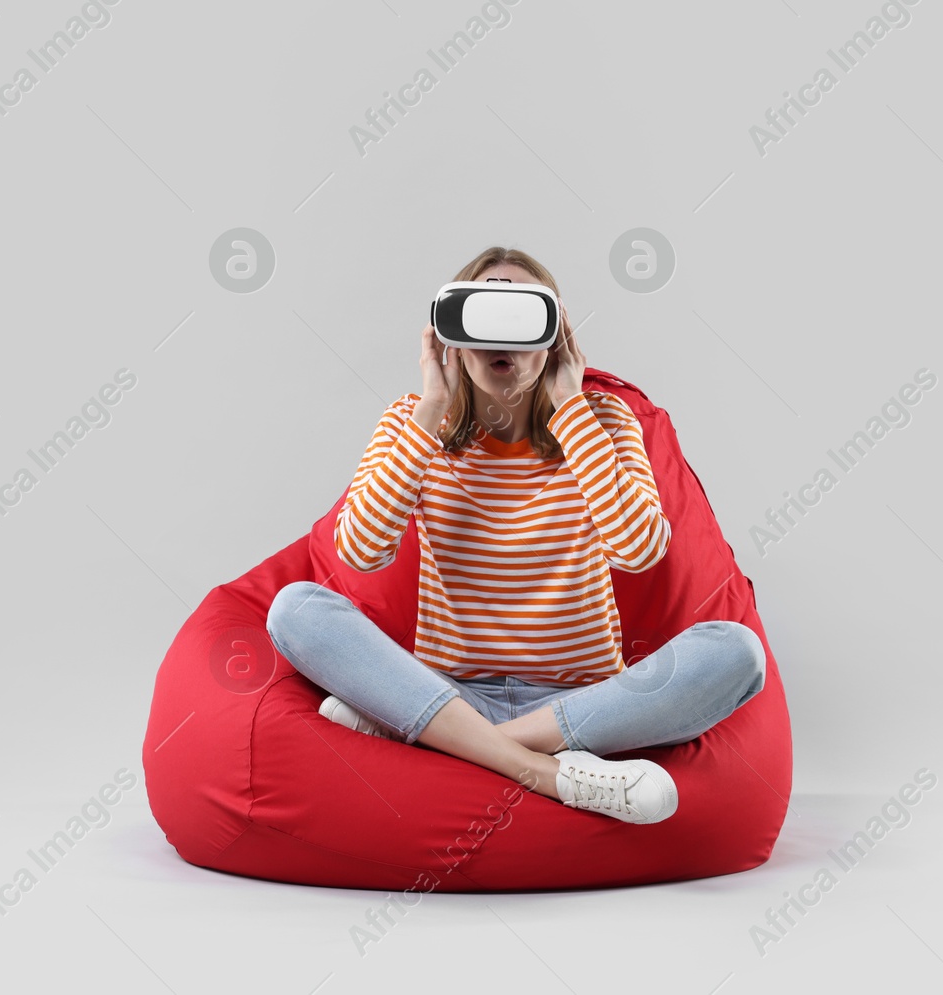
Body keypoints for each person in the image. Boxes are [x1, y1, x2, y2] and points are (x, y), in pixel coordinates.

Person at [265, 246, 766, 824]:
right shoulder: (412, 421)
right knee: (295, 608)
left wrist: (570, 408)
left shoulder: (604, 419)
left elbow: (639, 550)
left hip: (579, 704)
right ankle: (548, 772)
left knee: (736, 652)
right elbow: (361, 553)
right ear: (451, 334)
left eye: (521, 317)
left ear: (555, 335)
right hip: (448, 686)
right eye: (483, 316)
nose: (501, 338)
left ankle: (445, 738)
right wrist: (432, 408)